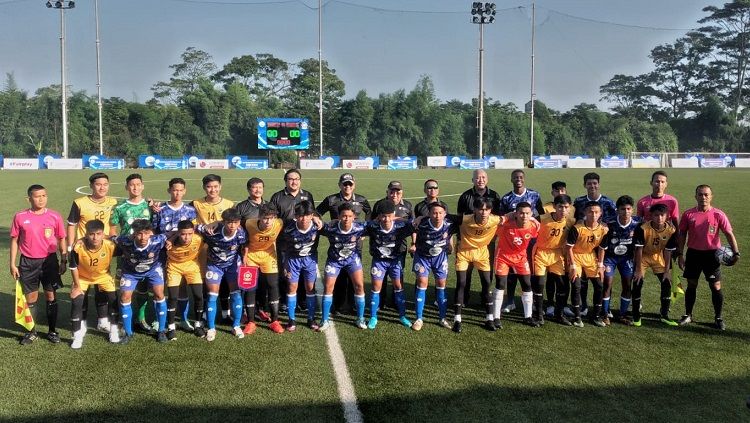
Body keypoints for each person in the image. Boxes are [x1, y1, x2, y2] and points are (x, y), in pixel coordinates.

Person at [676, 185, 740, 330]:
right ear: (695, 196)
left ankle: (718, 318)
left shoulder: (718, 214)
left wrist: (736, 253)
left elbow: (729, 234)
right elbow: (682, 235)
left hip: (712, 256)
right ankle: (688, 315)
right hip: (693, 254)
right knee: (691, 284)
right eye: (700, 194)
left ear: (711, 196)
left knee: (715, 286)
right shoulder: (688, 214)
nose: (703, 197)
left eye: (706, 194)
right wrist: (680, 254)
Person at [10, 184, 67, 345]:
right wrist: (13, 264)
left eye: (44, 195)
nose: (41, 199)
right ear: (29, 198)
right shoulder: (20, 216)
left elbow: (62, 238)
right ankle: (31, 332)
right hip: (28, 262)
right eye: (37, 196)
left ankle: (52, 331)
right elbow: (14, 241)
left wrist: (63, 260)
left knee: (51, 296)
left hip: (50, 261)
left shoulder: (55, 216)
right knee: (31, 298)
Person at [66, 173, 118, 332]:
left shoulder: (113, 202)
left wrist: (111, 240)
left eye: (105, 184)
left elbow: (112, 224)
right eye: (98, 184)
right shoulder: (79, 202)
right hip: (84, 249)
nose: (102, 187)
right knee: (83, 285)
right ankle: (82, 322)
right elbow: (72, 224)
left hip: (103, 248)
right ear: (91, 186)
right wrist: (71, 245)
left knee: (102, 284)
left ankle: (102, 321)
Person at [316, 173, 371, 315]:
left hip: (355, 243)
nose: (347, 186)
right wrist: (320, 222)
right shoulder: (331, 199)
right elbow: (317, 213)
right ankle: (339, 305)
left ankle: (353, 305)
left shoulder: (361, 199)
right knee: (339, 276)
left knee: (354, 276)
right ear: (339, 184)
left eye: (350, 184)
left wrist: (363, 233)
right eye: (345, 184)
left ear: (354, 185)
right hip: (337, 243)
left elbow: (369, 213)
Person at [151, 177, 198, 332]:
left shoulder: (190, 211)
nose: (177, 193)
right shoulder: (160, 209)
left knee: (182, 286)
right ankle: (160, 320)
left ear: (184, 191)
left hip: (182, 256)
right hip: (162, 253)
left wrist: (174, 238)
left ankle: (183, 319)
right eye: (174, 189)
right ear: (169, 190)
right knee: (160, 287)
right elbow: (154, 230)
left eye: (180, 190)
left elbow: (191, 232)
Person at [452, 197, 503, 333]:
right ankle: (457, 319)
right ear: (474, 209)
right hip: (464, 252)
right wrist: (420, 218)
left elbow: (510, 217)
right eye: (480, 209)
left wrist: (533, 219)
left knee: (487, 283)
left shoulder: (495, 219)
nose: (483, 212)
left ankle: (489, 318)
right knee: (461, 283)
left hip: (482, 254)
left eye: (487, 209)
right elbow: (447, 217)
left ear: (490, 210)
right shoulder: (465, 219)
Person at [196, 208, 247, 340]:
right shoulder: (212, 231)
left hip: (232, 266)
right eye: (229, 222)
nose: (232, 226)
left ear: (239, 222)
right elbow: (194, 227)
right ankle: (211, 328)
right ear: (223, 222)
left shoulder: (241, 233)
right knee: (212, 296)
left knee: (236, 294)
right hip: (214, 266)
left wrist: (245, 259)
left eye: (235, 222)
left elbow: (244, 246)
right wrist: (210, 225)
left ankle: (236, 326)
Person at [111, 173, 154, 334]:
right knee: (123, 289)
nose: (135, 187)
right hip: (126, 256)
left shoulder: (151, 206)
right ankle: (123, 320)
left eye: (138, 184)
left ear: (142, 186)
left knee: (143, 289)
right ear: (126, 187)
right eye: (132, 185)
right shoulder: (120, 208)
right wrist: (122, 241)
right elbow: (113, 231)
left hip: (145, 256)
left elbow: (155, 229)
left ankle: (141, 319)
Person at [498, 169, 544, 315]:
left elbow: (541, 216)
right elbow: (501, 219)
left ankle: (534, 303)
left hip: (530, 240)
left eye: (521, 177)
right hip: (512, 242)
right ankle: (510, 301)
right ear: (511, 180)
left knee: (531, 272)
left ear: (524, 179)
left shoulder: (534, 195)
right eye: (515, 177)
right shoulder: (506, 199)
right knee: (510, 273)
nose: (518, 179)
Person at [363, 201, 416, 329]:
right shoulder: (372, 226)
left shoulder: (402, 226)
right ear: (379, 216)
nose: (386, 219)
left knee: (398, 286)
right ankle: (373, 317)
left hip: (395, 261)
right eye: (383, 216)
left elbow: (416, 223)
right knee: (376, 287)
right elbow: (356, 227)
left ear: (393, 215)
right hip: (379, 261)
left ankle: (402, 315)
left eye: (389, 216)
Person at [116, 219, 168, 344]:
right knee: (124, 297)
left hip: (153, 271)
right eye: (139, 233)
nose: (143, 237)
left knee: (159, 294)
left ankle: (161, 330)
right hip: (131, 273)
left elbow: (170, 234)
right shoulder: (125, 241)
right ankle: (128, 333)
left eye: (146, 233)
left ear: (150, 233)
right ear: (134, 233)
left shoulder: (158, 240)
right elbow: (109, 237)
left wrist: (171, 241)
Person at [69, 219, 119, 348]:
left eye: (98, 234)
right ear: (86, 234)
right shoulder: (77, 247)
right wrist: (76, 286)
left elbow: (126, 250)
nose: (95, 237)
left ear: (103, 234)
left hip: (103, 276)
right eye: (91, 234)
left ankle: (114, 331)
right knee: (77, 300)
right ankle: (77, 335)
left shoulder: (111, 245)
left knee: (113, 299)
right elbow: (73, 267)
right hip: (83, 277)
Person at [191, 174, 235, 323]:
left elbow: (234, 224)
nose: (213, 190)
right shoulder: (196, 203)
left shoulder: (229, 204)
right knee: (206, 281)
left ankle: (225, 312)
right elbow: (190, 225)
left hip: (225, 250)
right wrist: (205, 227)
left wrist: (218, 223)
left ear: (220, 187)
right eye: (209, 187)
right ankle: (204, 314)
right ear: (204, 188)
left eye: (215, 186)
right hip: (203, 248)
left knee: (223, 282)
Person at [270, 169, 315, 311]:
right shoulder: (277, 197)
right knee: (286, 272)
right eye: (291, 179)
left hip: (304, 241)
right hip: (285, 242)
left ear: (300, 180)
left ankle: (302, 300)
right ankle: (285, 300)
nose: (294, 181)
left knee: (304, 272)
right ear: (286, 181)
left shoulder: (307, 195)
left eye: (296, 179)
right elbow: (273, 219)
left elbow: (312, 213)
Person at [411, 202, 460, 331]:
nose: (437, 216)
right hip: (422, 257)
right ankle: (419, 318)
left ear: (445, 214)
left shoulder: (450, 223)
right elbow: (408, 226)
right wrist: (413, 242)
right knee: (422, 283)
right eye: (434, 212)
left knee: (441, 284)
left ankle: (442, 318)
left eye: (440, 213)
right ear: (429, 214)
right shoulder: (421, 223)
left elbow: (466, 219)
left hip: (440, 257)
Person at [319, 203, 368, 330]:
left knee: (359, 286)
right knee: (328, 287)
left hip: (352, 260)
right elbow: (316, 223)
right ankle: (324, 320)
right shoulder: (330, 227)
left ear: (354, 217)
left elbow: (381, 221)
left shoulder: (360, 227)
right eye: (344, 216)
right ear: (339, 216)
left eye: (349, 216)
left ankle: (360, 318)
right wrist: (314, 218)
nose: (346, 218)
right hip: (334, 261)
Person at [456, 169, 501, 307]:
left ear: (487, 179)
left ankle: (485, 298)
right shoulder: (465, 196)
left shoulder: (494, 195)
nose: (480, 180)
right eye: (477, 178)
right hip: (468, 241)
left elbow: (498, 218)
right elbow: (459, 219)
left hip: (487, 241)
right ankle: (464, 298)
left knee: (487, 272)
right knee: (466, 271)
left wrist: (494, 237)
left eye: (483, 177)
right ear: (473, 180)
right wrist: (459, 238)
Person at [492, 202, 540, 328]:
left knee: (527, 284)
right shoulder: (506, 225)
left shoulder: (534, 225)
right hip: (503, 256)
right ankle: (496, 317)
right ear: (516, 213)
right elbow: (495, 223)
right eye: (521, 213)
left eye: (527, 213)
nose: (524, 216)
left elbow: (537, 236)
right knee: (501, 284)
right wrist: (507, 216)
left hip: (521, 257)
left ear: (531, 214)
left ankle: (528, 317)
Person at [370, 181, 414, 309]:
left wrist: (414, 242)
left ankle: (396, 302)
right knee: (380, 277)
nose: (394, 194)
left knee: (398, 275)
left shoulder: (407, 205)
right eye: (392, 191)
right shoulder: (379, 204)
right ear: (387, 192)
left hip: (399, 247)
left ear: (401, 193)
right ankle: (380, 302)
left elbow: (412, 225)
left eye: (397, 192)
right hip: (380, 246)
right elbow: (372, 222)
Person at [632, 204, 679, 327]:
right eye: (656, 215)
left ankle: (664, 315)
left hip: (658, 257)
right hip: (642, 257)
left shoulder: (671, 230)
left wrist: (667, 270)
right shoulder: (642, 228)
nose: (659, 218)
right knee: (637, 282)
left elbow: (668, 251)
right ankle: (636, 315)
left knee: (667, 282)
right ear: (651, 216)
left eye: (662, 215)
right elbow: (638, 250)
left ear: (667, 216)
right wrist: (637, 270)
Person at [532, 194, 575, 326]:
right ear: (554, 207)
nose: (563, 210)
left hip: (557, 255)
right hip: (541, 253)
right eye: (560, 207)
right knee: (539, 284)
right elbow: (528, 224)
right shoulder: (541, 218)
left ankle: (559, 314)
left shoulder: (571, 222)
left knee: (562, 284)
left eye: (566, 207)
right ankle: (539, 315)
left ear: (570, 208)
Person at [241, 204, 284, 334]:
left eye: (271, 218)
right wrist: (244, 252)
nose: (268, 221)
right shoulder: (248, 223)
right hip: (251, 256)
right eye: (265, 218)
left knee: (272, 284)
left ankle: (274, 321)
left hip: (269, 256)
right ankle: (251, 321)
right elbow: (238, 231)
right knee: (250, 287)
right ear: (259, 216)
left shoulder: (279, 223)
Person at [234, 177, 272, 323]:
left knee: (263, 283)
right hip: (247, 251)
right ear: (249, 189)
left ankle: (260, 309)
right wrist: (243, 249)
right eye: (254, 188)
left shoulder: (268, 205)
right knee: (247, 282)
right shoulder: (242, 207)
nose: (258, 190)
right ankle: (245, 310)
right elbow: (237, 227)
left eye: (260, 187)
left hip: (266, 252)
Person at [565, 201, 608, 328]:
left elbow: (601, 248)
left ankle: (596, 316)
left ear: (600, 214)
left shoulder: (604, 229)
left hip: (590, 257)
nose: (593, 214)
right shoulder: (577, 228)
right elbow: (569, 248)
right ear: (585, 212)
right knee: (576, 285)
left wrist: (600, 265)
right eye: (590, 211)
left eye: (596, 212)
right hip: (576, 257)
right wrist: (572, 266)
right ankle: (577, 317)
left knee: (599, 285)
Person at [599, 195, 641, 326]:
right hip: (610, 258)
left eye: (629, 209)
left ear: (632, 210)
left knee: (627, 285)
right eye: (623, 209)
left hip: (627, 259)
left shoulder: (638, 223)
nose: (626, 212)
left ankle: (622, 314)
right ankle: (605, 314)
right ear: (617, 210)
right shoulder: (609, 223)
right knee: (607, 284)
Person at [281, 201, 322, 331]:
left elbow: (336, 228)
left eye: (307, 215)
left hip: (309, 260)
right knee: (292, 287)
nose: (304, 219)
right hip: (293, 260)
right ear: (295, 215)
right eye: (300, 215)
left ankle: (311, 318)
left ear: (312, 215)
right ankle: (291, 319)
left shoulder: (318, 226)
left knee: (310, 288)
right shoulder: (288, 228)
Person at [163, 220, 206, 340]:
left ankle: (197, 324)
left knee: (198, 295)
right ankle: (171, 327)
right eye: (183, 234)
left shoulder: (199, 239)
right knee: (173, 297)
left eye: (189, 234)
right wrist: (171, 239)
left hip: (192, 267)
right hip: (174, 268)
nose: (186, 237)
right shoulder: (168, 243)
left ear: (193, 232)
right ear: (178, 233)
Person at [542, 181, 575, 317]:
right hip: (549, 249)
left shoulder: (572, 208)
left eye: (562, 190)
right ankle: (550, 303)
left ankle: (563, 304)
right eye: (557, 191)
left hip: (565, 250)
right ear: (552, 193)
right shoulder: (545, 208)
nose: (560, 193)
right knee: (551, 277)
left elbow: (576, 225)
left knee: (564, 279)